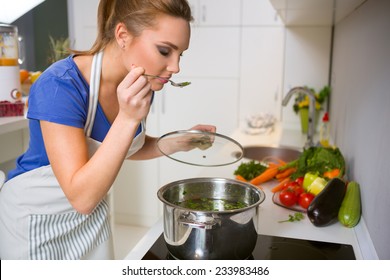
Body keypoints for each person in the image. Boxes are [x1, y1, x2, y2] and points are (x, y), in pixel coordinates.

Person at [0, 0, 215, 260]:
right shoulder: (60, 85)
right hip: (35, 223)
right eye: (164, 51)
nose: (176, 67)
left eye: (180, 54)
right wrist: (127, 117)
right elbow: (81, 198)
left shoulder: (140, 83)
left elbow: (118, 147)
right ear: (123, 35)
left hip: (90, 222)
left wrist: (175, 142)